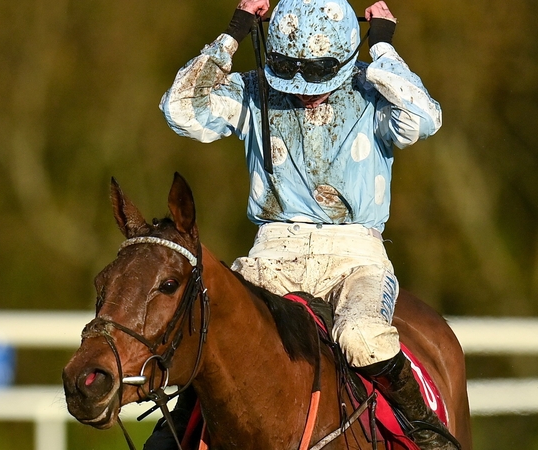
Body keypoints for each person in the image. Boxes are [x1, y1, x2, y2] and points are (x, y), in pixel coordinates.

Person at [150, 0, 458, 449]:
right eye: (292, 76)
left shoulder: (374, 95)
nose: (302, 90)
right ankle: (175, 429)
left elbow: (426, 117)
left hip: (355, 256)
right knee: (214, 327)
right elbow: (180, 108)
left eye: (316, 77)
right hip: (271, 253)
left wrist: (384, 48)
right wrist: (234, 32)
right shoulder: (255, 92)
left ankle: (425, 433)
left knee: (361, 337)